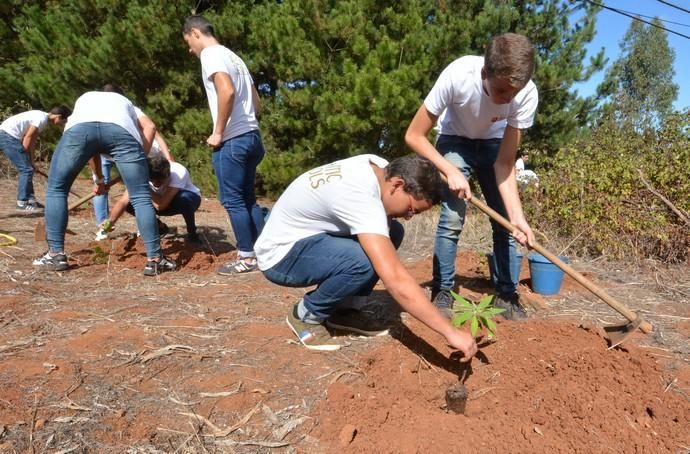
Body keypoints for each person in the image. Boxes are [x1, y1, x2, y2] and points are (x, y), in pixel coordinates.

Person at [255, 153, 478, 361]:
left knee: (393, 231)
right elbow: (396, 280)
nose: (409, 217)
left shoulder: (380, 169)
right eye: (412, 209)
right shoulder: (360, 196)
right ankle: (306, 314)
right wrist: (449, 332)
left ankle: (345, 310)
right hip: (281, 256)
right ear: (398, 185)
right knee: (363, 260)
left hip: (305, 238)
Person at [405, 33, 538, 320]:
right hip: (454, 140)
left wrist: (518, 217)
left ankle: (506, 293)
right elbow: (414, 135)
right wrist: (449, 169)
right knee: (452, 219)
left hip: (494, 145)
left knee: (504, 222)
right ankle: (442, 290)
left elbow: (504, 166)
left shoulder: (526, 93)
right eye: (502, 91)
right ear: (484, 73)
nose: (508, 100)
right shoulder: (457, 75)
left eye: (514, 92)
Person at [32, 89, 176, 276]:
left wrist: (99, 179)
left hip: (79, 132)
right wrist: (139, 158)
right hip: (121, 133)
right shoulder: (126, 102)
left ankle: (55, 255)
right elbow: (150, 128)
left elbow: (91, 147)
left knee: (57, 189)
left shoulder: (85, 99)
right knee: (140, 196)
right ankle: (155, 261)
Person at [183, 15, 266, 275]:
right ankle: (264, 252)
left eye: (188, 42)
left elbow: (226, 91)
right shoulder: (235, 58)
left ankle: (246, 257)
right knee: (248, 200)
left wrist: (218, 132)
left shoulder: (211, 54)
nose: (189, 49)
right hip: (252, 136)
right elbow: (256, 101)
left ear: (195, 33)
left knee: (233, 201)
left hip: (234, 139)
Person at [92, 84, 174, 240]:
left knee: (139, 193)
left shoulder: (129, 108)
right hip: (125, 156)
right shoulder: (98, 113)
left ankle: (147, 228)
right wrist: (98, 180)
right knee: (135, 194)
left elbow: (153, 131)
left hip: (149, 157)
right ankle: (108, 226)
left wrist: (165, 155)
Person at [103, 155, 202, 244]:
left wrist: (145, 186)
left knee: (184, 198)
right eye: (152, 180)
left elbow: (160, 206)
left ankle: (192, 232)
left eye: (160, 181)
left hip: (184, 201)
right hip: (158, 202)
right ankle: (160, 227)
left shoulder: (179, 172)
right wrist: (110, 221)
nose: (155, 183)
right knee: (130, 202)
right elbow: (123, 201)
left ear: (168, 174)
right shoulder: (141, 174)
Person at [0, 106, 71, 211]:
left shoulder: (42, 118)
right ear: (58, 116)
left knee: (28, 168)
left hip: (8, 135)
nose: (62, 124)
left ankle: (30, 200)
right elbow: (27, 138)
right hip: (7, 136)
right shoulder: (41, 118)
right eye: (63, 121)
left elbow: (32, 141)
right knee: (26, 170)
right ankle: (22, 202)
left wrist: (31, 160)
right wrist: (24, 155)